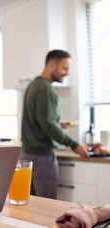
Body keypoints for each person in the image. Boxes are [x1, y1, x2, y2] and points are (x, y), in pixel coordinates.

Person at [20, 49, 89, 199]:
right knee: (48, 207)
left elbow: (42, 121)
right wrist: (74, 144)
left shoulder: (33, 85)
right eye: (65, 68)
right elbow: (49, 126)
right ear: (52, 64)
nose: (67, 73)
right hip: (42, 158)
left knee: (30, 206)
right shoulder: (46, 89)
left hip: (26, 155)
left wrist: (56, 123)